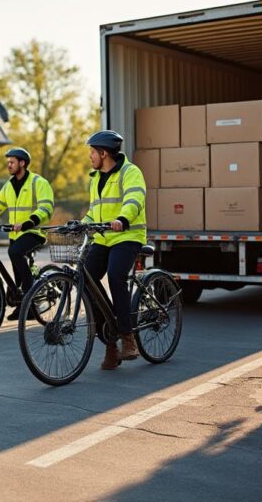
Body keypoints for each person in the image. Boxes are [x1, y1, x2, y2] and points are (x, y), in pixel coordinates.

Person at [81, 130, 148, 370]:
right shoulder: (96, 177)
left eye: (92, 152)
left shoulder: (130, 173)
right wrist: (81, 223)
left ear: (103, 152)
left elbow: (134, 199)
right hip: (104, 237)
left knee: (115, 275)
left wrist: (123, 217)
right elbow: (95, 211)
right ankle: (110, 342)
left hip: (128, 234)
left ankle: (128, 338)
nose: (90, 156)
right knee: (85, 279)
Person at [0, 147, 55, 320]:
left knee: (15, 252)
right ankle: (22, 307)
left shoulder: (38, 182)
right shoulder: (9, 185)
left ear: (22, 163)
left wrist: (30, 221)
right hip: (15, 235)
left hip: (34, 231)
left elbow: (46, 207)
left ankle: (30, 299)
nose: (9, 165)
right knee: (17, 270)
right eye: (8, 162)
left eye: (12, 162)